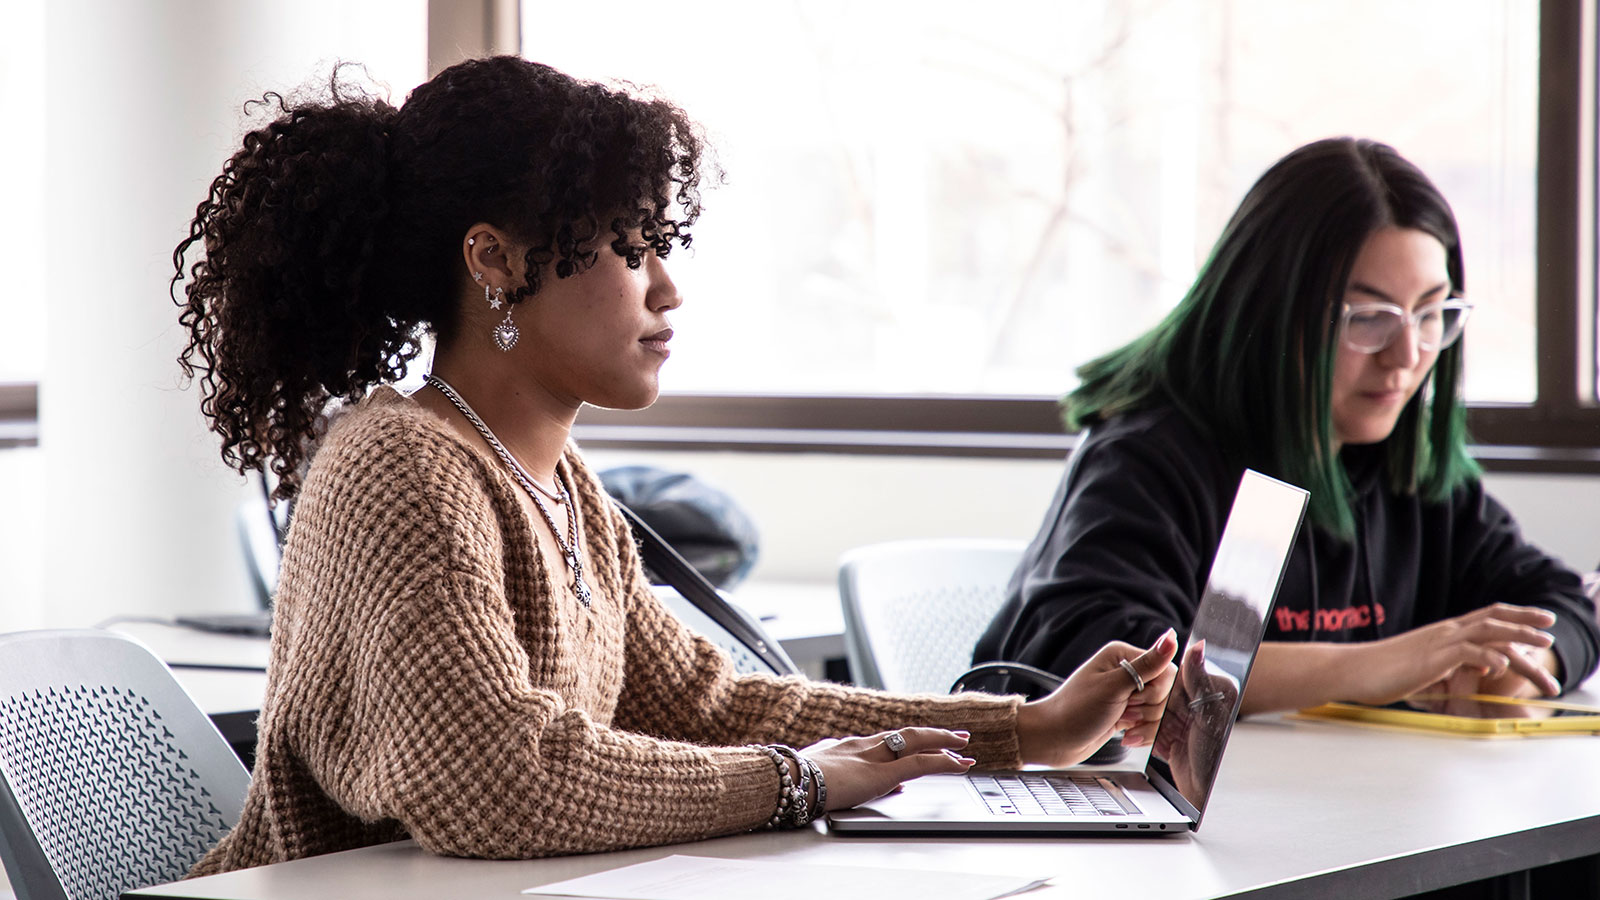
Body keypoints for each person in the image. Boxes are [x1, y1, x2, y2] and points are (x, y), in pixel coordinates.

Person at [171, 56, 1178, 874]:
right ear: (495, 263)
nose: (668, 289)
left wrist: (1026, 732)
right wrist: (803, 781)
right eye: (630, 247)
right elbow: (495, 783)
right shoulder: (400, 464)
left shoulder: (560, 485)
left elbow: (712, 707)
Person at [975, 137, 1600, 717]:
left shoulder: (1399, 467)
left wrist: (1520, 665)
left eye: (1432, 313)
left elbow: (1562, 601)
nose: (1408, 355)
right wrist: (1388, 665)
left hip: (1350, 817)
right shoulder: (1150, 457)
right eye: (1369, 317)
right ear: (1272, 312)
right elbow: (1108, 664)